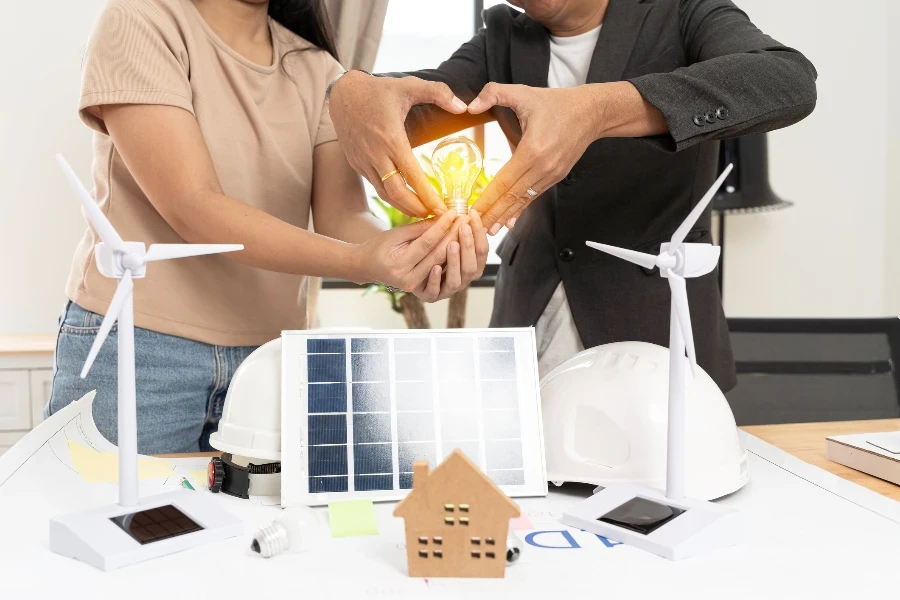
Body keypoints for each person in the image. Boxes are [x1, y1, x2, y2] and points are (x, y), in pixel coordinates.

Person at [47, 0, 489, 454]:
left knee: (258, 527)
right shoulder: (140, 20)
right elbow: (193, 204)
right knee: (113, 521)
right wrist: (362, 262)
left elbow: (343, 217)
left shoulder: (320, 70)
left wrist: (416, 253)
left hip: (269, 361)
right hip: (141, 350)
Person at [326, 0, 817, 384]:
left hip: (651, 330)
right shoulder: (503, 36)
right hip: (526, 321)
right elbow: (423, 101)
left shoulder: (682, 14)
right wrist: (350, 89)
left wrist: (600, 109)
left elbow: (787, 79)